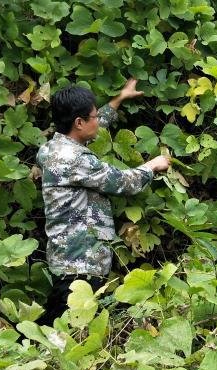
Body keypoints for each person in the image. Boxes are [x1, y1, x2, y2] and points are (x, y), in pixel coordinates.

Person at [36, 79, 170, 325]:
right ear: (79, 123)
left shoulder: (52, 149)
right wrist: (153, 165)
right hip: (80, 262)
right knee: (59, 331)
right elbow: (125, 182)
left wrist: (118, 100)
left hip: (65, 257)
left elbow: (93, 129)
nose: (98, 121)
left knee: (66, 328)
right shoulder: (76, 160)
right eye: (94, 117)